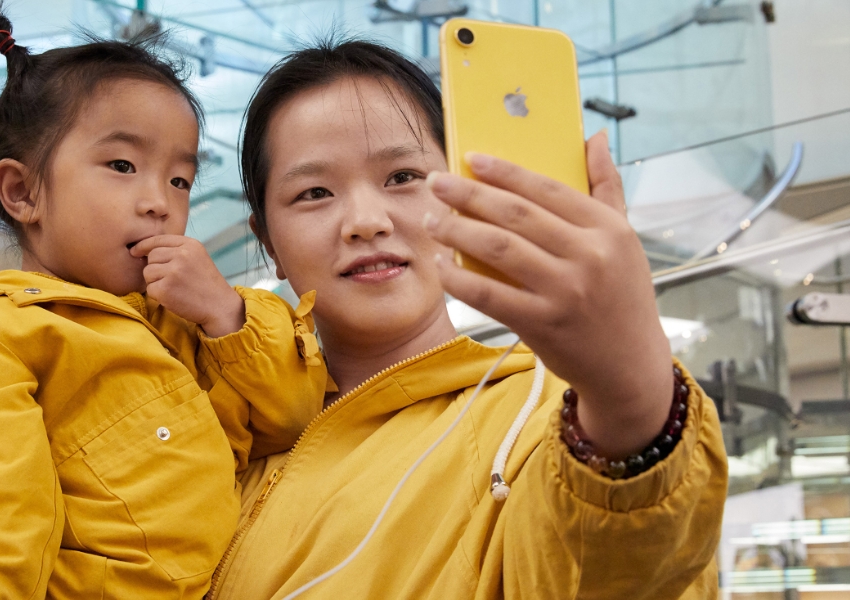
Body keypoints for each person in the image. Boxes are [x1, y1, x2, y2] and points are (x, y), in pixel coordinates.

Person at [206, 40, 728, 599]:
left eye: (403, 176)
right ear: (270, 244)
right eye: (314, 192)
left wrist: (629, 399)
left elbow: (618, 569)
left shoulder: (551, 419)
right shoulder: (217, 424)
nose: (364, 221)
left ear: (459, 195)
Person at [0, 7, 326, 599]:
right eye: (122, 165)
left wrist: (226, 318)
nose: (159, 202)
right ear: (23, 191)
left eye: (180, 180)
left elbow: (289, 420)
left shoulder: (185, 323)